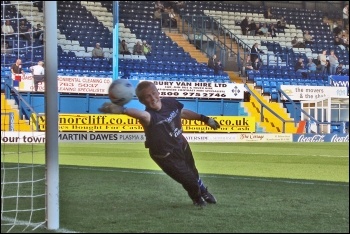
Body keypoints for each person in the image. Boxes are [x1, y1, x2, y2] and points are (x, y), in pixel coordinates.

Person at [98, 81, 220, 207]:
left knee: (193, 172)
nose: (153, 98)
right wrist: (122, 110)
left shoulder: (170, 103)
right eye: (147, 96)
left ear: (158, 92)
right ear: (142, 101)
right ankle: (197, 199)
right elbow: (140, 114)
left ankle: (204, 192)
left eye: (154, 93)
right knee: (188, 179)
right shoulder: (149, 116)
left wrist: (205, 119)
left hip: (181, 144)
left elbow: (183, 113)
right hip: (166, 156)